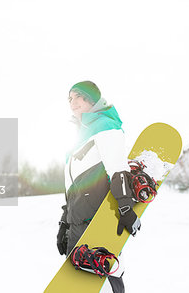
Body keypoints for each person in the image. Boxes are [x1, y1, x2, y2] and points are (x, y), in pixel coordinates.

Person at [56, 81, 141, 293]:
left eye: (77, 96)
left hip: (97, 217)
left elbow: (118, 169)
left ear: (91, 99)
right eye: (70, 99)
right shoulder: (78, 137)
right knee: (79, 281)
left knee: (100, 269)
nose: (72, 102)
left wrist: (125, 206)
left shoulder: (104, 126)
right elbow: (71, 188)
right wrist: (64, 222)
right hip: (77, 219)